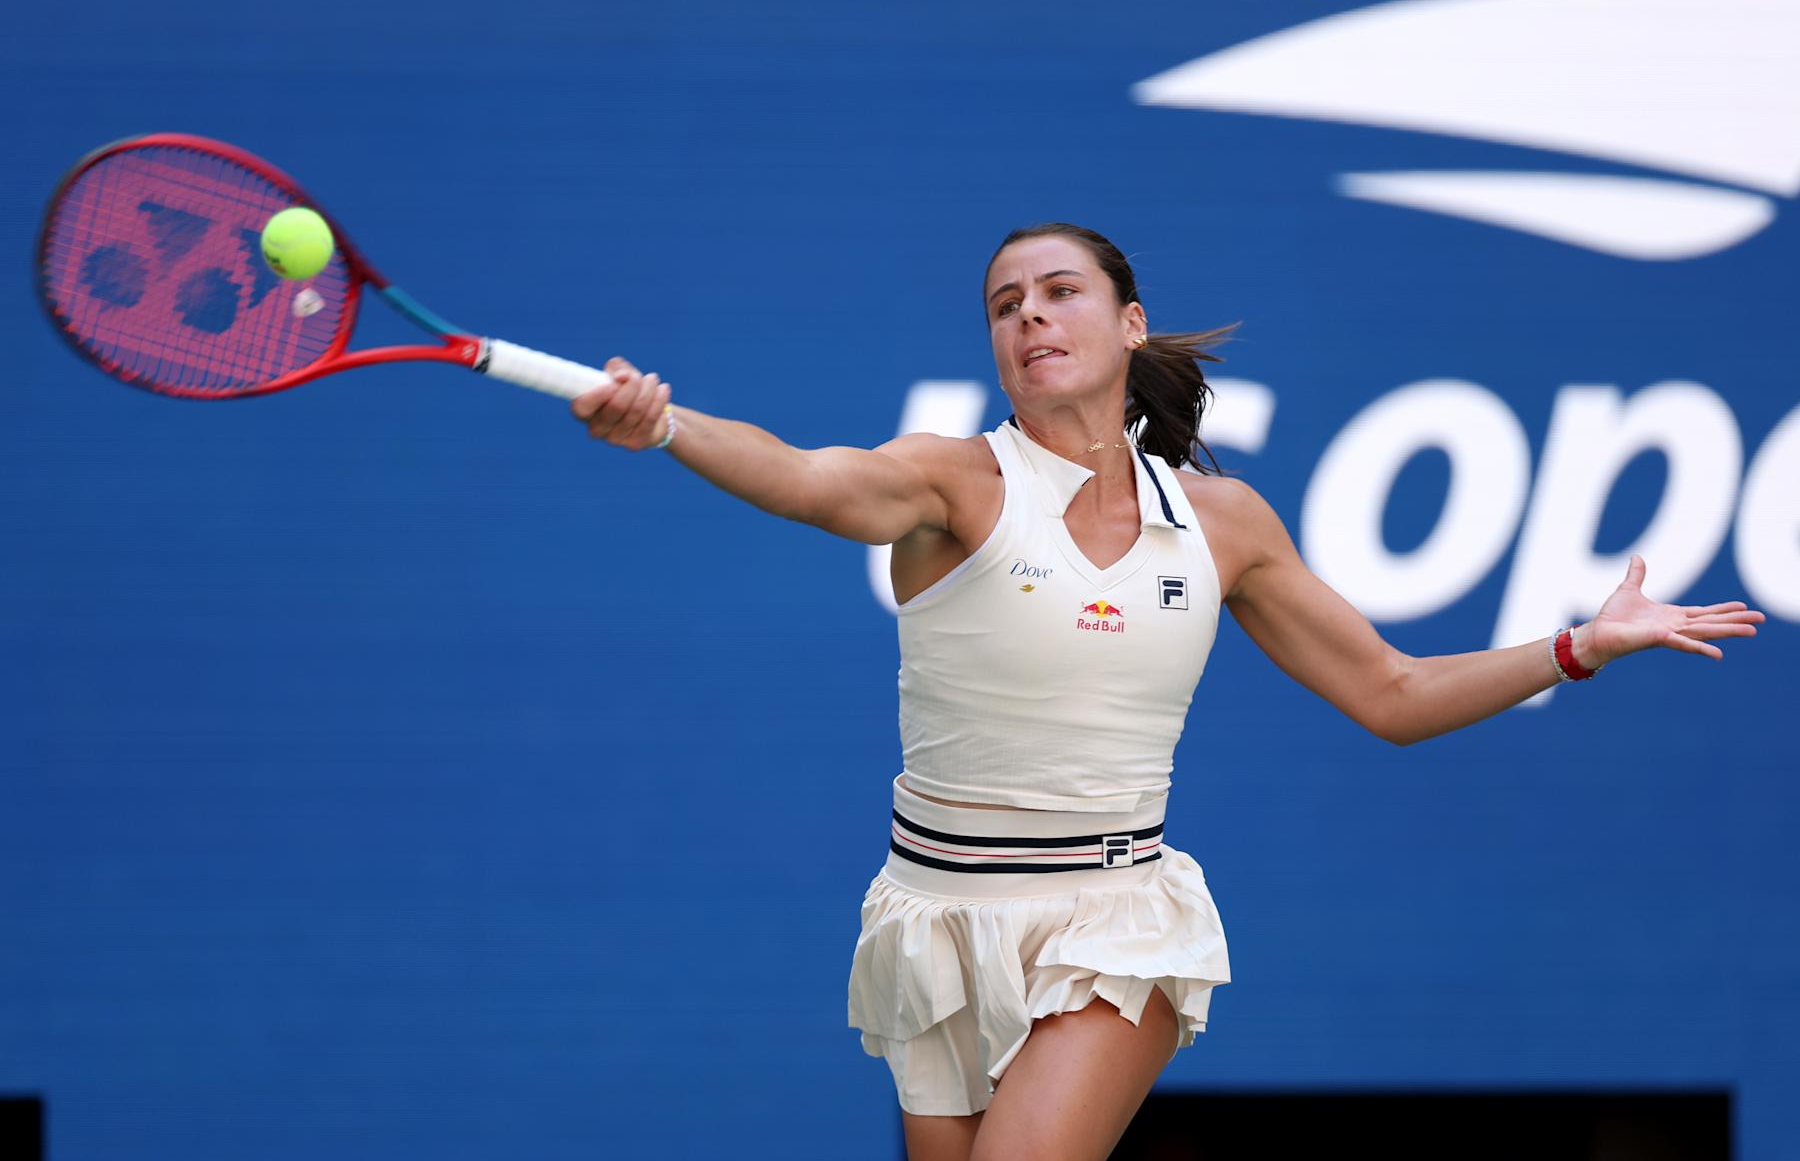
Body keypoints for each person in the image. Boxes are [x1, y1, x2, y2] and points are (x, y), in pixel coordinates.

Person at [568, 222, 1765, 1161]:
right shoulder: (949, 481)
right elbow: (801, 477)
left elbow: (1393, 692)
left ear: (1129, 322)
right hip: (935, 920)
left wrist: (1577, 646)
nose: (1030, 315)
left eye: (1059, 291)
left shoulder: (1224, 522)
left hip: (1116, 922)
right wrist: (668, 426)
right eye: (1005, 305)